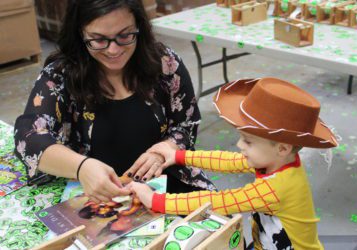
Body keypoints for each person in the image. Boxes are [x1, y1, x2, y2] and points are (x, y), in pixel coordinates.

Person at [14, 0, 215, 204]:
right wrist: (82, 167)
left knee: (217, 224)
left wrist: (163, 151)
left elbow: (186, 124)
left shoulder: (164, 64)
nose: (113, 50)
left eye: (125, 35)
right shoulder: (61, 76)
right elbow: (28, 138)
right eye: (98, 40)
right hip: (98, 196)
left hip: (166, 184)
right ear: (80, 33)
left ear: (139, 26)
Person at [127, 77, 338, 249]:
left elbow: (218, 201)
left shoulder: (275, 188)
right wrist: (180, 156)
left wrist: (155, 200)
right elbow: (228, 161)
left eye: (248, 141)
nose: (239, 144)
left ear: (282, 148)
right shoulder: (278, 161)